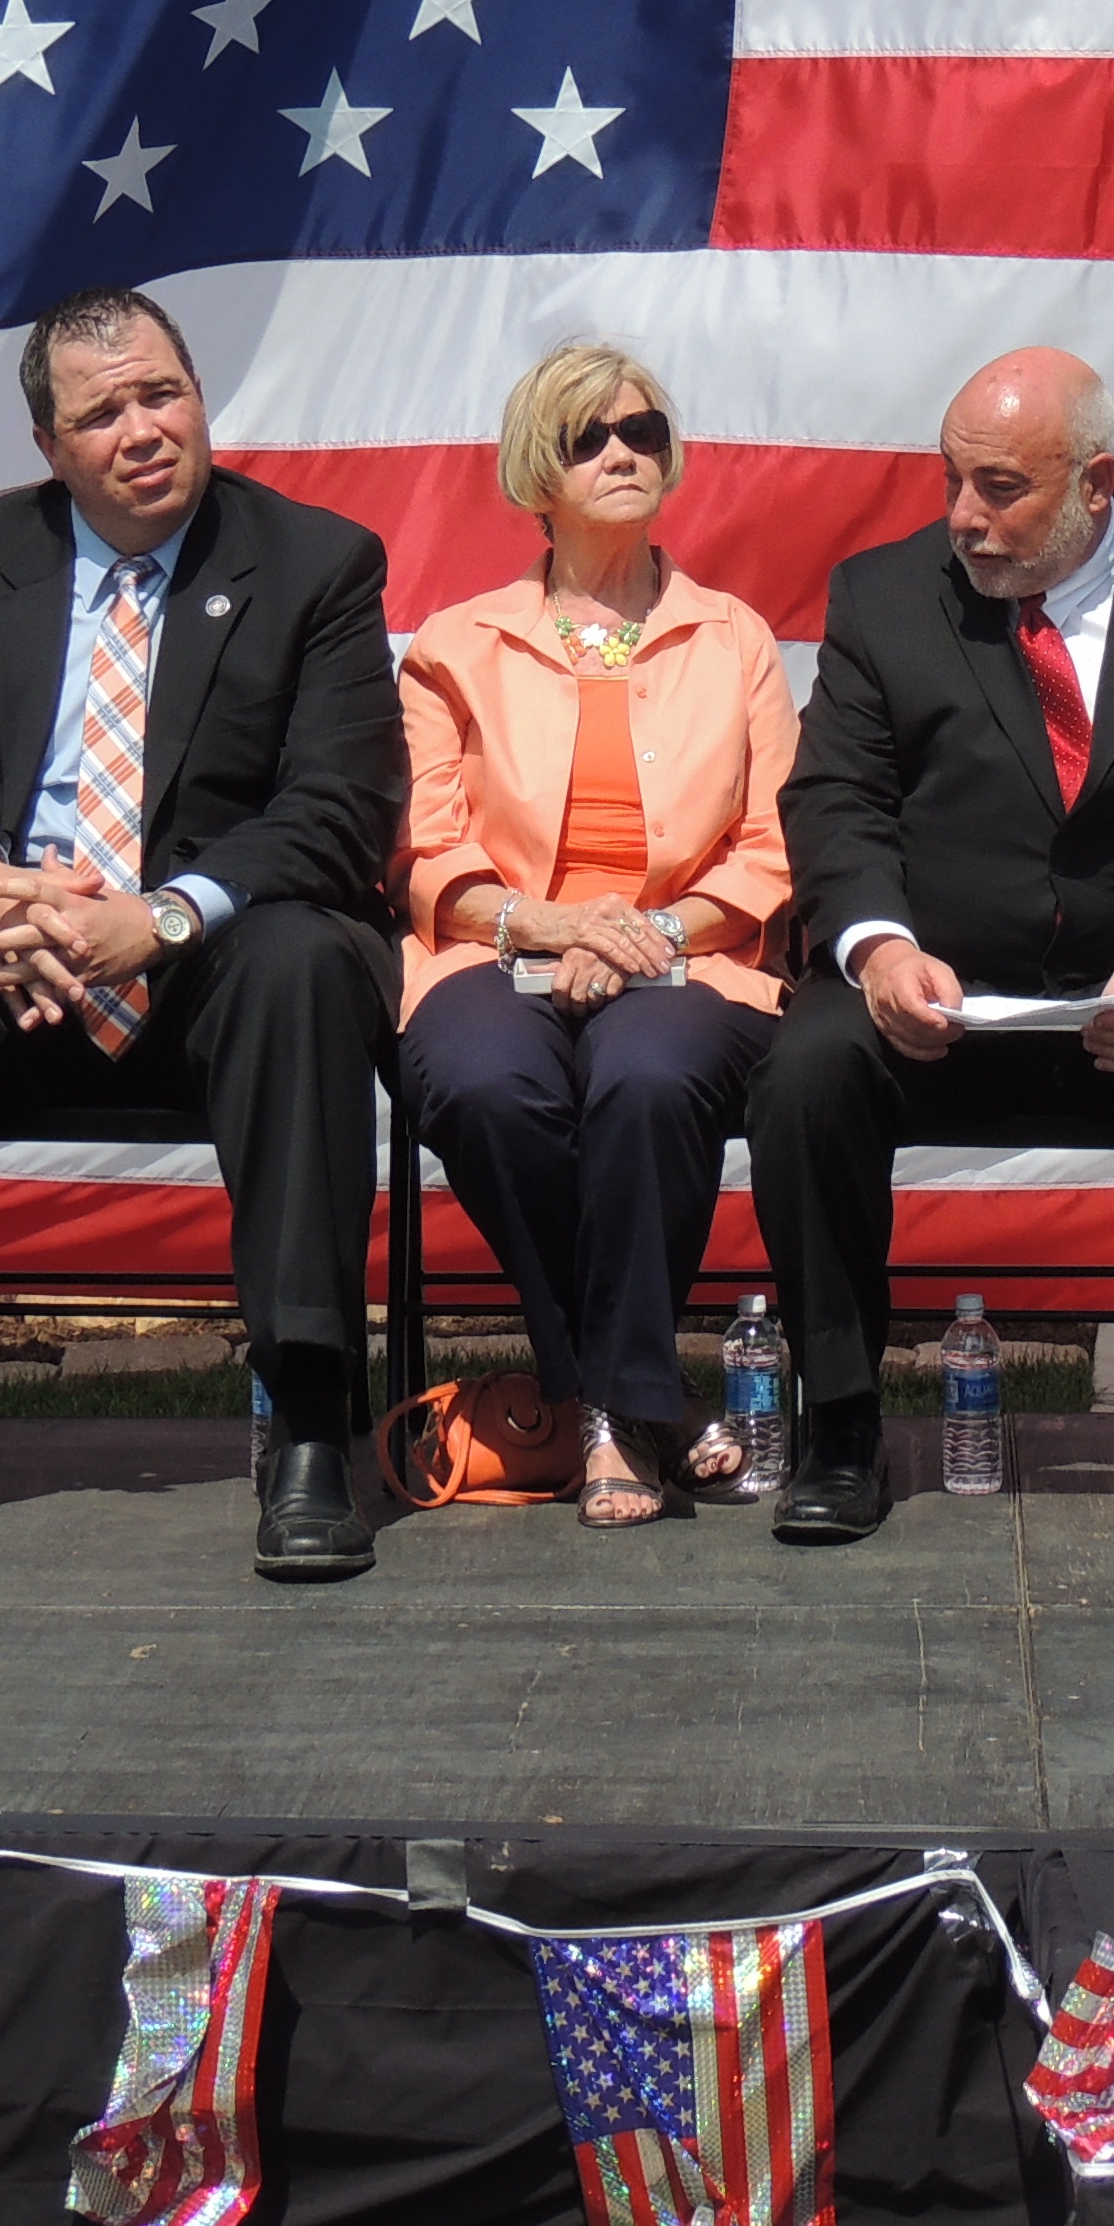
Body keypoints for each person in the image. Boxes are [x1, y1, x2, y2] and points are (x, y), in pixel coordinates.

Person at [0, 287, 407, 1578]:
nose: (145, 431)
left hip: (214, 965)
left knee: (304, 958)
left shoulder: (317, 563)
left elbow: (342, 810)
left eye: (164, 395)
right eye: (104, 414)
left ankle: (311, 1421)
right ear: (49, 447)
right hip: (14, 960)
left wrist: (162, 915)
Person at [753, 347, 1114, 1550]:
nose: (964, 516)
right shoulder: (884, 597)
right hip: (939, 994)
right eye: (952, 479)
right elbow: (834, 799)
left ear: (1097, 483)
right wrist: (880, 948)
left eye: (999, 487)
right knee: (806, 1067)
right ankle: (840, 1420)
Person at [392, 344, 799, 1526]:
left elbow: (773, 847)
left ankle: (610, 1416)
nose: (623, 453)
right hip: (497, 945)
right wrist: (558, 923)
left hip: (688, 955)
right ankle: (643, 1401)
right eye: (589, 438)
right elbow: (425, 843)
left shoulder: (736, 639)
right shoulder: (452, 646)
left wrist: (647, 933)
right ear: (536, 473)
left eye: (644, 435)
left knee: (646, 1078)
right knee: (480, 1083)